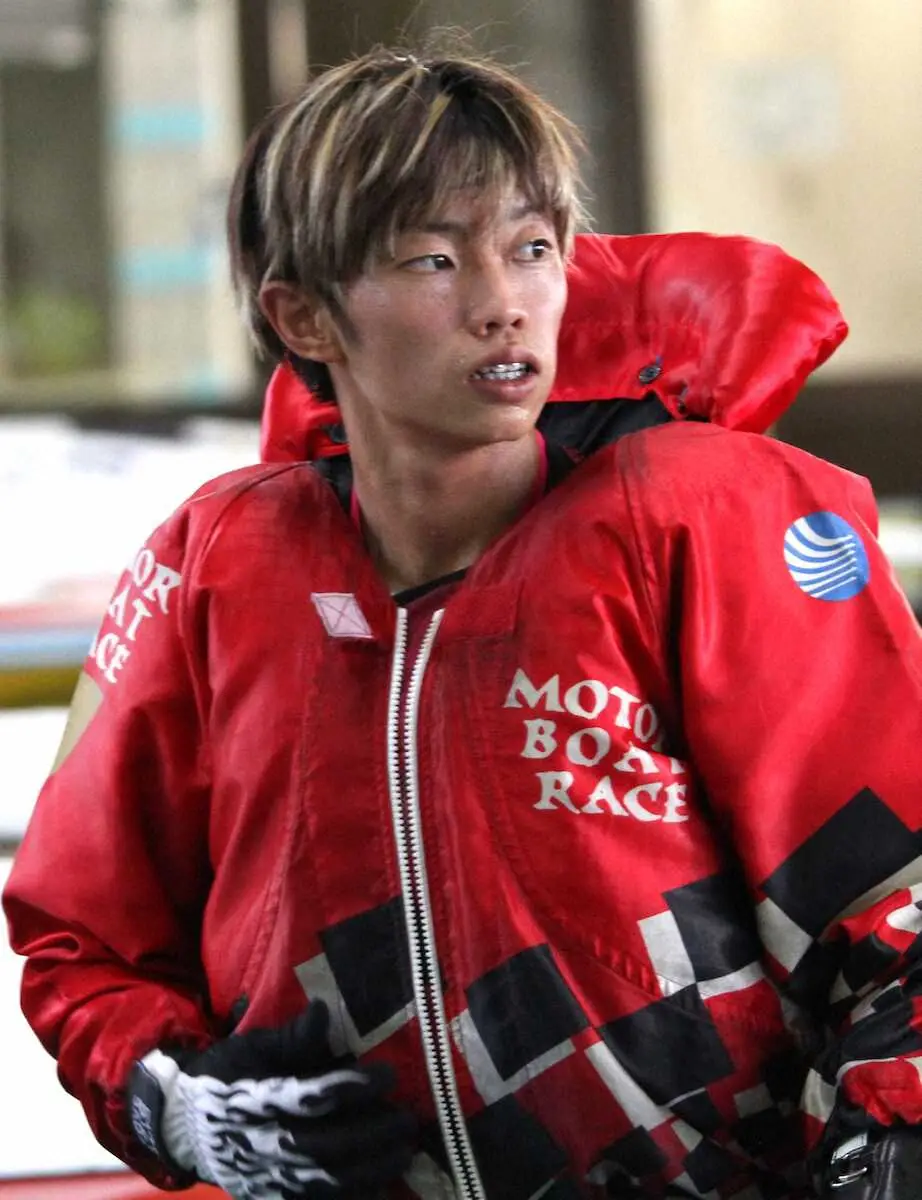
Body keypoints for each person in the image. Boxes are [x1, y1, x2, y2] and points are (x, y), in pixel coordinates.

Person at [5, 41, 922, 1200]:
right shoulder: (215, 567)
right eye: (434, 260)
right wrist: (175, 1103)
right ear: (303, 316)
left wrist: (893, 1142)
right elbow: (82, 936)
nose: (502, 305)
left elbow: (896, 889)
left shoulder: (701, 521)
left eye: (532, 249)